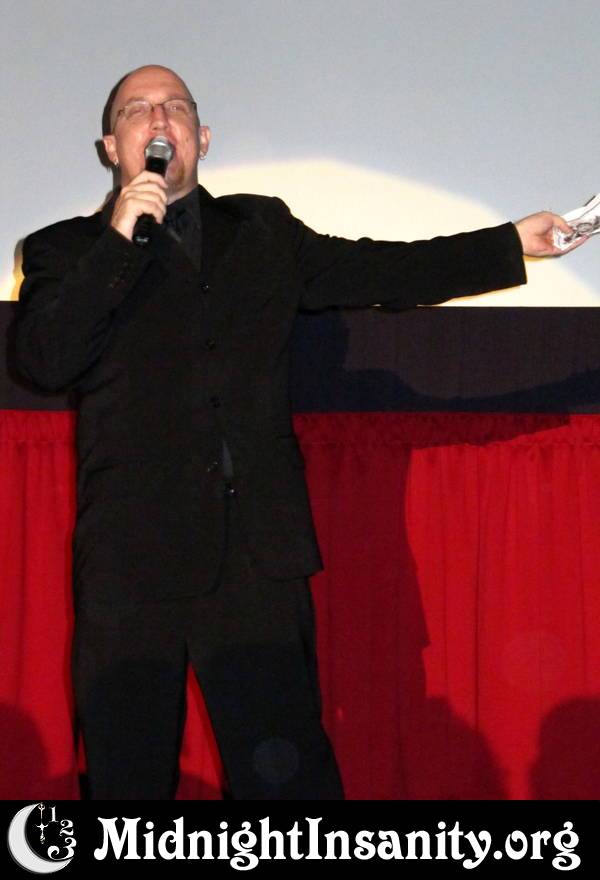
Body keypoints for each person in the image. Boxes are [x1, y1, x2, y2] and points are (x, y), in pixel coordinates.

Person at [14, 64, 584, 800]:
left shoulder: (261, 232)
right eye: (137, 110)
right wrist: (119, 243)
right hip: (132, 559)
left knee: (287, 783)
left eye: (175, 107)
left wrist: (510, 243)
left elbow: (383, 269)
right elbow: (45, 360)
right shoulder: (62, 251)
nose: (158, 120)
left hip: (258, 555)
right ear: (109, 147)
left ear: (202, 137)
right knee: (127, 787)